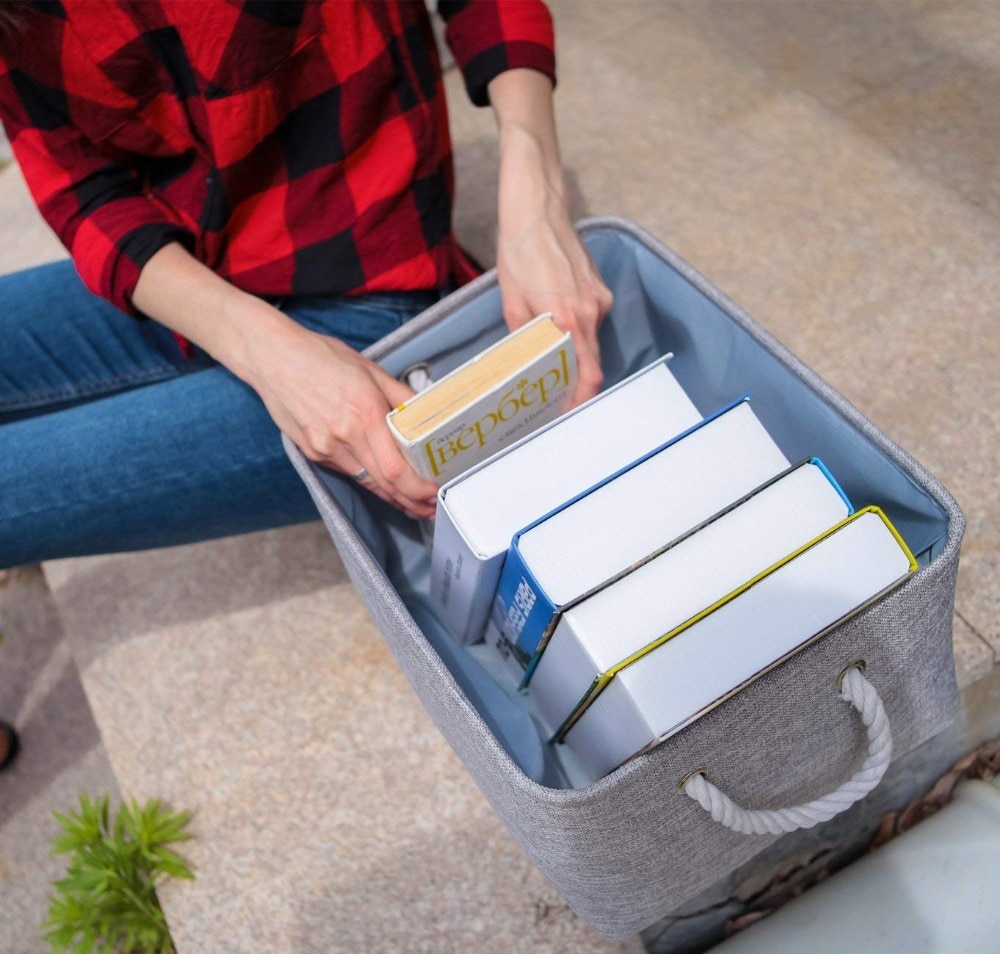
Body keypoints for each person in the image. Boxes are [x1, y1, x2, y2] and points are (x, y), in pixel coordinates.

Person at [0, 0, 612, 569]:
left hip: (370, 289)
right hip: (186, 271)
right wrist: (259, 346)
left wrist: (537, 192)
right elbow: (85, 189)